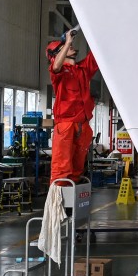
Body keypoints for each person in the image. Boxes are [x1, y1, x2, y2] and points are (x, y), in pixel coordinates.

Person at [46, 29, 98, 185]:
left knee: (76, 171)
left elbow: (96, 56)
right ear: (57, 54)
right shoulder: (58, 73)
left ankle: (71, 206)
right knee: (61, 171)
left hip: (83, 126)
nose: (72, 47)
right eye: (67, 47)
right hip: (66, 127)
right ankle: (58, 207)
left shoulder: (82, 70)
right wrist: (67, 41)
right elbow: (55, 67)